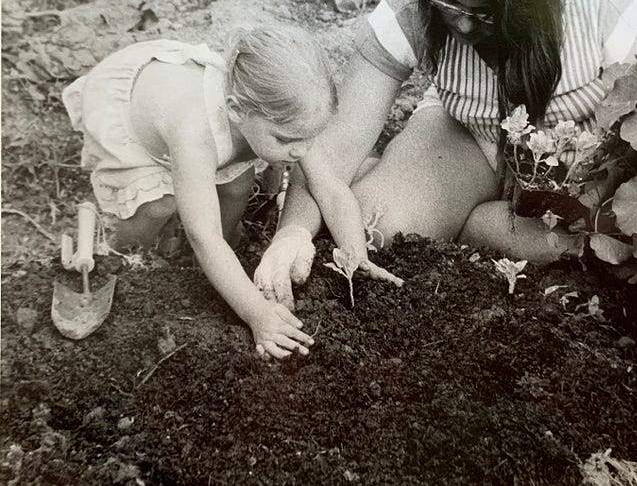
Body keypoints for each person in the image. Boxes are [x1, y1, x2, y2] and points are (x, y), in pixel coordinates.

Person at [255, 0, 637, 309]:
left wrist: (595, 192)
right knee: (378, 229)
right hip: (470, 133)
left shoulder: (603, 0)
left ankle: (465, 218)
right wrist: (294, 232)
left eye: (484, 10)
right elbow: (337, 141)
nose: (465, 26)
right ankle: (423, 197)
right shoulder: (415, 4)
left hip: (580, 159)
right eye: (450, 3)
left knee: (571, 246)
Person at [62, 24, 394, 360]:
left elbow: (331, 189)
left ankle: (231, 246)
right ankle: (128, 258)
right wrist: (257, 314)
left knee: (237, 186)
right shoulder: (195, 132)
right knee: (158, 206)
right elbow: (203, 235)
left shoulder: (289, 124)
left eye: (309, 138)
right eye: (286, 141)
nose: (301, 152)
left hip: (208, 128)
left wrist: (356, 255)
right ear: (236, 111)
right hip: (138, 123)